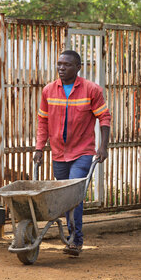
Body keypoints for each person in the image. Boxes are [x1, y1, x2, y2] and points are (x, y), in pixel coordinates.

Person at [33, 50, 111, 256]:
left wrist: (103, 146)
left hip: (83, 152)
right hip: (59, 153)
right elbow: (43, 122)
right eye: (59, 64)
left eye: (66, 65)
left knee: (74, 196)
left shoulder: (91, 90)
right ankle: (71, 236)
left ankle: (76, 240)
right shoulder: (49, 90)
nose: (61, 68)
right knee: (65, 197)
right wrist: (39, 148)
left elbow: (104, 118)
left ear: (78, 67)